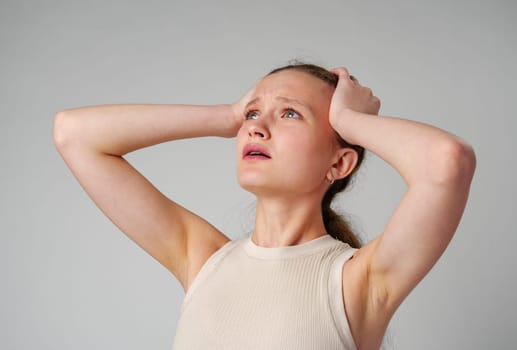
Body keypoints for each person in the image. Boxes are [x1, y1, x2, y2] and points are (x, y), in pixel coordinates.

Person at [53, 62, 476, 350]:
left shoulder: (358, 280)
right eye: (253, 114)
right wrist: (226, 116)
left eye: (290, 114)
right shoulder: (202, 258)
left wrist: (350, 122)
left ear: (339, 162)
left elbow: (446, 162)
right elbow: (74, 134)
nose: (256, 126)